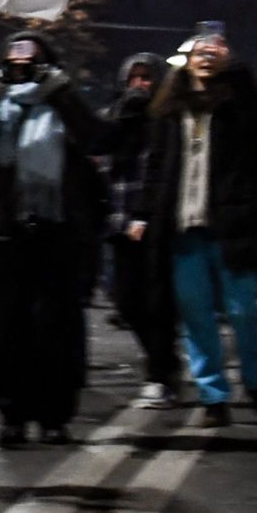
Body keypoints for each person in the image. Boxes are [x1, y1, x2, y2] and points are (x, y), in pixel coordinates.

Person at [0, 32, 111, 445]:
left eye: (32, 58)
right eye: (15, 56)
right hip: (0, 231)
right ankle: (13, 413)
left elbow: (95, 135)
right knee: (5, 329)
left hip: (55, 229)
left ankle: (54, 416)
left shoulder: (61, 103)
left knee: (55, 328)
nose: (23, 64)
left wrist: (61, 91)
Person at [139, 31, 257, 426]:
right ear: (185, 61)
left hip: (231, 224)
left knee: (244, 311)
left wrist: (236, 71)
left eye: (214, 53)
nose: (205, 58)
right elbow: (155, 166)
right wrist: (144, 214)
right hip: (183, 228)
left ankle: (256, 383)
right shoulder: (169, 110)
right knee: (196, 313)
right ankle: (212, 393)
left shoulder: (236, 106)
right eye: (199, 53)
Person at [99, 53, 180, 410]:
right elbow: (99, 153)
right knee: (127, 303)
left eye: (148, 78)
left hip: (156, 225)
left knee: (158, 304)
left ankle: (160, 375)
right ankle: (165, 361)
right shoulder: (115, 115)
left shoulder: (167, 118)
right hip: (119, 223)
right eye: (135, 78)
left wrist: (149, 217)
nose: (141, 85)